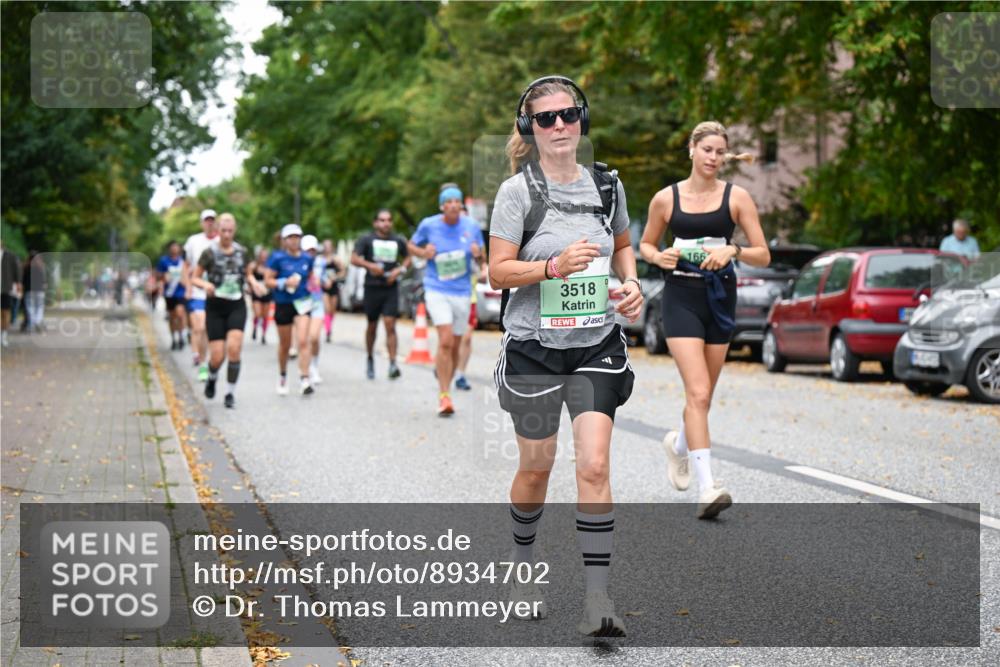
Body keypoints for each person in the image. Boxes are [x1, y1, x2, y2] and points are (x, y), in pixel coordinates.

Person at [489, 75, 643, 635]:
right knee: (537, 466)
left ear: (582, 119)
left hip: (596, 344)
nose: (560, 125)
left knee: (595, 465)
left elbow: (622, 247)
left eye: (569, 114)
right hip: (533, 348)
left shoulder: (607, 185)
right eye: (546, 117)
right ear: (529, 127)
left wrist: (629, 285)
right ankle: (523, 565)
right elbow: (498, 272)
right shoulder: (518, 192)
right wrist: (553, 268)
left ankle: (597, 600)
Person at [639, 121, 769, 520]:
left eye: (720, 152)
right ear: (692, 150)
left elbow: (762, 253)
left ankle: (678, 445)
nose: (713, 158)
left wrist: (733, 250)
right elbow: (646, 243)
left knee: (704, 397)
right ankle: (708, 487)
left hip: (719, 297)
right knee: (696, 392)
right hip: (680, 297)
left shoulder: (737, 197)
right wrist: (657, 256)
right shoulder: (666, 198)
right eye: (707, 149)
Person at [410, 186, 485, 416]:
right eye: (448, 201)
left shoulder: (471, 226)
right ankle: (444, 395)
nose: (453, 204)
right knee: (445, 341)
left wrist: (478, 255)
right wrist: (423, 253)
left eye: (457, 201)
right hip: (436, 288)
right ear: (442, 206)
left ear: (461, 205)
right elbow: (410, 246)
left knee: (455, 343)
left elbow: (482, 256)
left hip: (462, 291)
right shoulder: (429, 225)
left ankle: (445, 376)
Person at [191, 213, 255, 409]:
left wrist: (255, 285)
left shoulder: (242, 252)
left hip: (236, 304)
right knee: (217, 356)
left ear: (234, 230)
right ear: (217, 230)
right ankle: (212, 376)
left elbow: (248, 275)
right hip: (215, 306)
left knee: (234, 349)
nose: (227, 235)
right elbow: (195, 277)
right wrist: (205, 285)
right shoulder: (209, 253)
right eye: (223, 231)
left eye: (230, 231)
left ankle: (229, 392)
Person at [352, 209, 410, 380]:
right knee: (372, 326)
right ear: (375, 223)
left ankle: (393, 364)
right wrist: (370, 266)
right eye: (382, 220)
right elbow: (354, 258)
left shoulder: (398, 239)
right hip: (372, 287)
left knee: (390, 324)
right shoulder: (366, 239)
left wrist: (399, 270)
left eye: (389, 220)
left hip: (390, 287)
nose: (386, 223)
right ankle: (370, 357)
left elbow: (408, 258)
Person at [264, 224, 315, 396]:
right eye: (290, 237)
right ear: (284, 241)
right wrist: (284, 282)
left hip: (302, 302)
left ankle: (305, 378)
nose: (294, 240)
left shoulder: (307, 258)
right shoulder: (277, 258)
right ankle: (283, 375)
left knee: (302, 340)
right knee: (285, 345)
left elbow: (311, 278)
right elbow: (268, 280)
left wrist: (317, 285)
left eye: (297, 237)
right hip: (283, 302)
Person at [183, 209, 219, 381]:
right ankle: (203, 362)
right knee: (200, 327)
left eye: (212, 220)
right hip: (198, 290)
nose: (209, 223)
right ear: (202, 222)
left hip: (217, 292)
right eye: (206, 220)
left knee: (212, 329)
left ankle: (211, 359)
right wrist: (188, 287)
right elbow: (187, 265)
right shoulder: (193, 241)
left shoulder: (222, 241)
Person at [301, 234, 327, 384]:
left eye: (312, 250)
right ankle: (306, 368)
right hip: (302, 303)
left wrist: (325, 281)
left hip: (317, 302)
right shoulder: (297, 262)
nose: (310, 253)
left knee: (315, 337)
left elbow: (323, 279)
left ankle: (314, 366)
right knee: (304, 339)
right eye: (307, 250)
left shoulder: (320, 263)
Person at [156, 241, 187, 350]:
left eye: (176, 247)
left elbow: (188, 275)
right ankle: (174, 338)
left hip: (181, 292)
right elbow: (158, 275)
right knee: (172, 317)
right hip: (169, 293)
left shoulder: (183, 261)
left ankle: (181, 336)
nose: (174, 249)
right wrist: (164, 277)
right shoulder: (164, 261)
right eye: (172, 247)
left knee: (180, 314)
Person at [321, 239, 345, 343]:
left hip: (334, 287)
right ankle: (328, 331)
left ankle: (329, 326)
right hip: (324, 288)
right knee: (327, 309)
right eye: (325, 246)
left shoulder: (336, 259)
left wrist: (334, 278)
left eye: (329, 245)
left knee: (332, 310)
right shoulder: (320, 259)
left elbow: (343, 271)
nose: (327, 248)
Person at [248, 247, 272, 344]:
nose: (264, 258)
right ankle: (254, 327)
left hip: (267, 292)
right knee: (258, 313)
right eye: (262, 256)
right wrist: (251, 287)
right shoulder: (253, 266)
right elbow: (249, 277)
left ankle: (263, 334)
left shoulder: (270, 267)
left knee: (265, 315)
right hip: (256, 292)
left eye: (266, 256)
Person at [1, 241, 21, 347]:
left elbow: (16, 269)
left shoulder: (10, 256)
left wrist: (18, 283)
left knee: (5, 312)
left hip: (5, 288)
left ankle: (3, 335)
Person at [22, 251, 47, 333]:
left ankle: (31, 324)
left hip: (29, 291)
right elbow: (44, 280)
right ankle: (37, 321)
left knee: (30, 308)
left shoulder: (26, 267)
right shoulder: (41, 267)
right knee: (39, 308)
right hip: (39, 290)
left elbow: (23, 280)